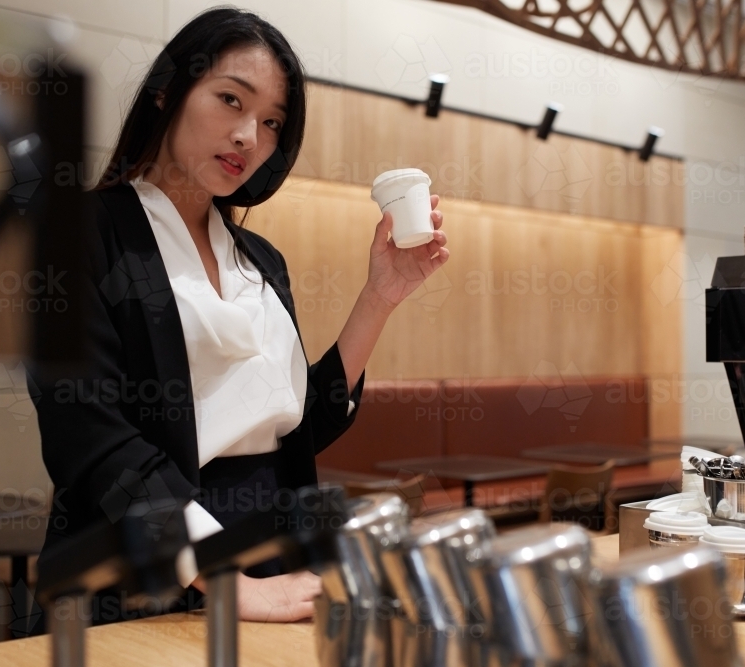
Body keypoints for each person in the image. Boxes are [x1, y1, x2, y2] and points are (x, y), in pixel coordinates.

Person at [30, 6, 449, 627]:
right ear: (168, 91)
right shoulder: (75, 233)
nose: (249, 136)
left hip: (273, 557)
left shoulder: (262, 261)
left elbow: (296, 427)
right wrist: (226, 577)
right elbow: (91, 439)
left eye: (272, 122)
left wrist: (379, 296)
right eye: (231, 99)